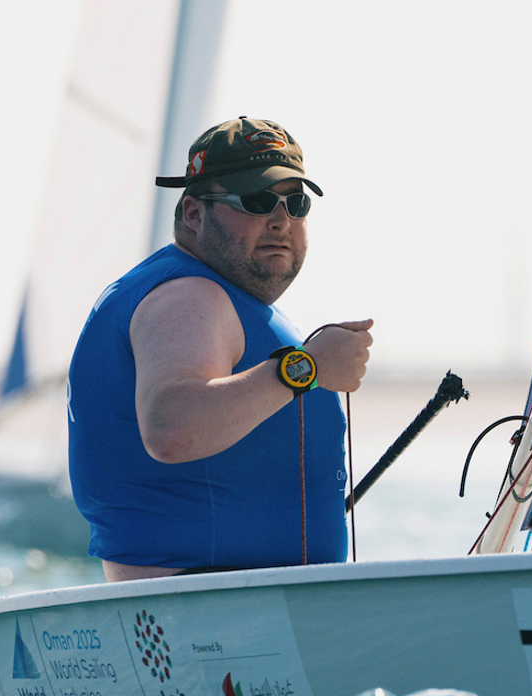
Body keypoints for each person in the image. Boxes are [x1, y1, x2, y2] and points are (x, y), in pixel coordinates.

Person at [68, 117, 372, 582]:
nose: (280, 220)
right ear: (193, 214)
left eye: (295, 203)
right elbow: (173, 429)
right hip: (209, 616)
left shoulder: (202, 293)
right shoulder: (190, 296)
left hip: (242, 611)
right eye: (256, 201)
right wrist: (304, 368)